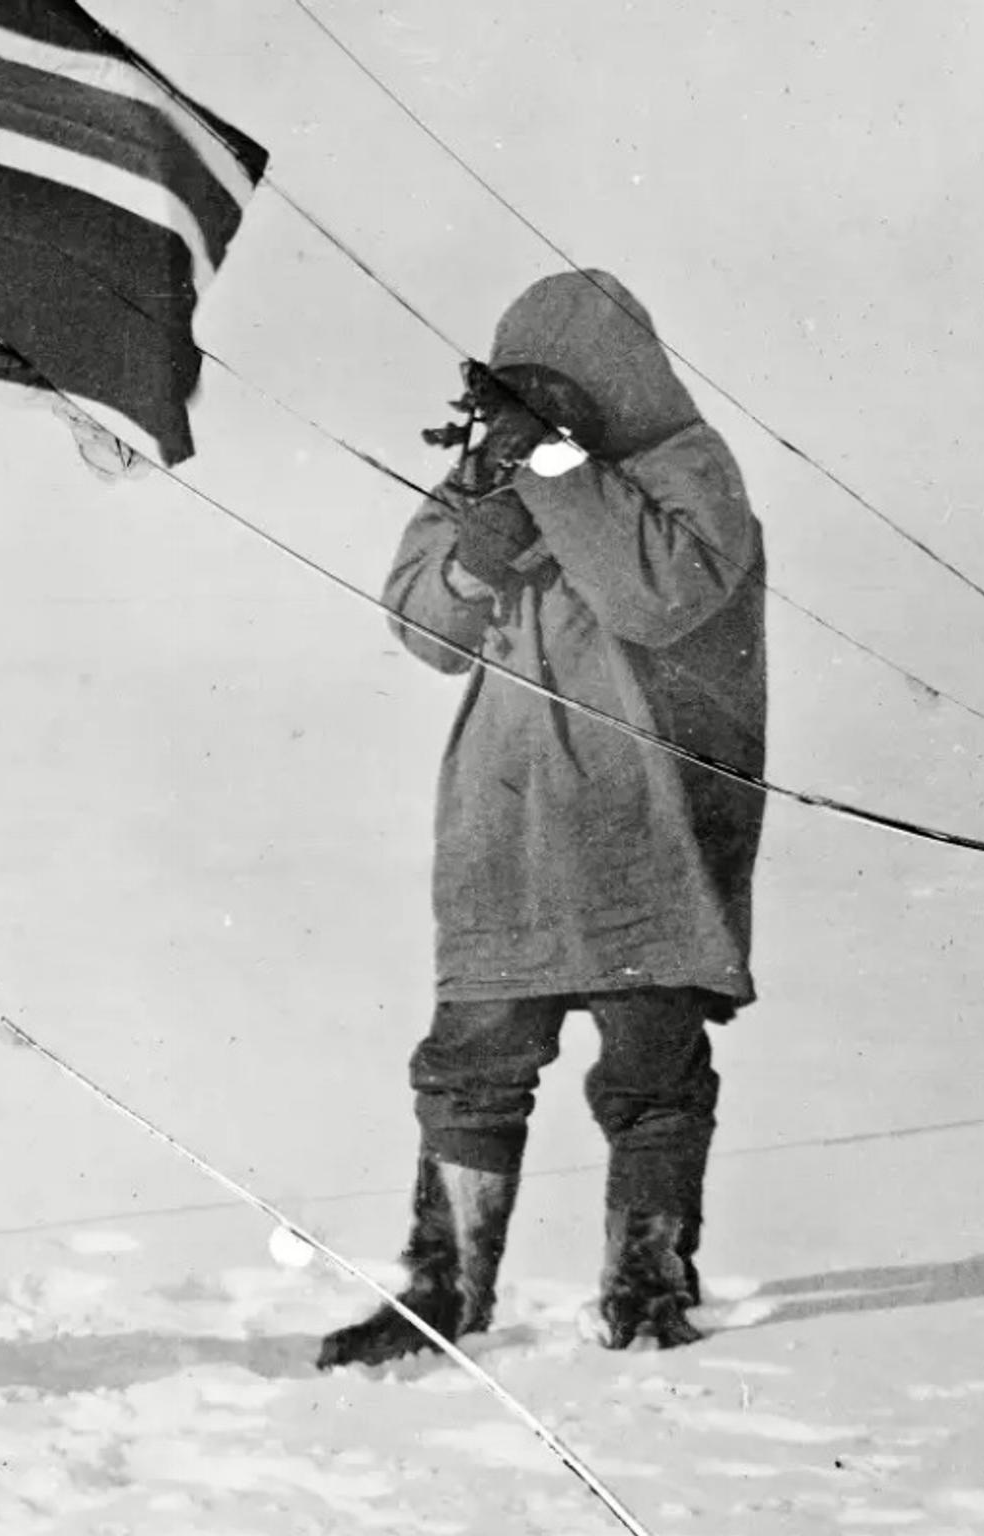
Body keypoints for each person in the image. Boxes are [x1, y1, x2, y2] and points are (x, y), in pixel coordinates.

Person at [317, 270, 768, 1370]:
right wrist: (475, 553)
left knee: (652, 1067)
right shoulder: (491, 473)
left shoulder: (685, 472)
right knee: (470, 1062)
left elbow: (656, 594)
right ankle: (442, 1292)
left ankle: (647, 1286)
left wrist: (549, 476)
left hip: (646, 812)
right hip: (505, 816)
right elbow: (420, 629)